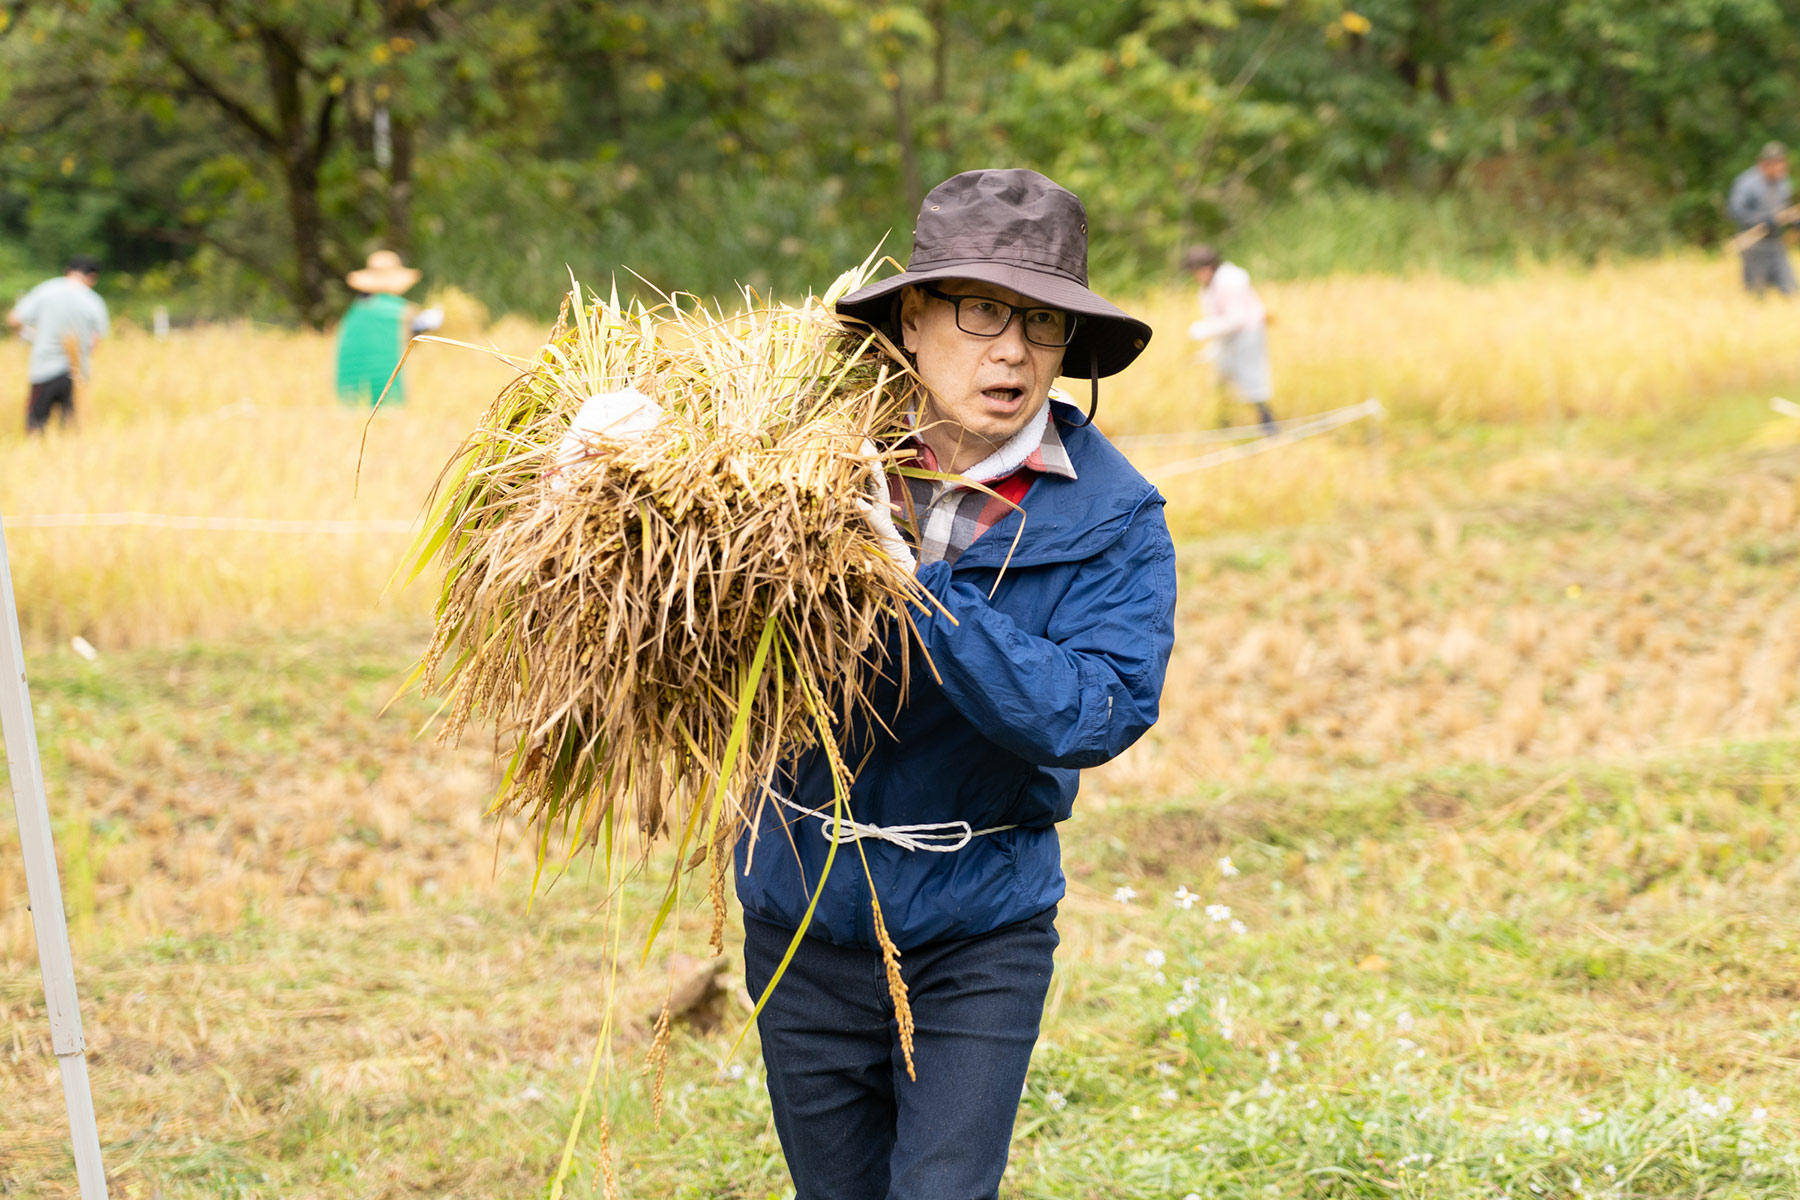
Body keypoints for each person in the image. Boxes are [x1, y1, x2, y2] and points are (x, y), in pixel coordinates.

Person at [734, 168, 1177, 1200]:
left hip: (977, 930)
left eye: (1043, 321)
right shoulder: (796, 466)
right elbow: (675, 622)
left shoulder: (1115, 516)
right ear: (914, 320)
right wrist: (616, 493)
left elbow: (1093, 707)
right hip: (800, 914)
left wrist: (923, 595)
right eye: (982, 312)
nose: (1013, 350)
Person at [5, 254, 109, 434]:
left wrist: (29, 335)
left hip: (44, 370)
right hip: (76, 374)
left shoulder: (46, 290)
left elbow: (14, 319)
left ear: (67, 271)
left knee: (36, 428)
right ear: (92, 277)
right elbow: (94, 342)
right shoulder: (94, 301)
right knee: (70, 430)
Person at [1183, 244, 1277, 433]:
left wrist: (1206, 329)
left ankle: (1268, 423)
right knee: (1222, 376)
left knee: (1252, 377)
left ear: (1207, 267)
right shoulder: (1209, 287)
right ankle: (1224, 421)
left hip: (1248, 334)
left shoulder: (1231, 281)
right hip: (1229, 337)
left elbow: (1237, 319)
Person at [335, 249, 428, 406]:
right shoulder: (401, 311)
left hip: (348, 395)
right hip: (389, 395)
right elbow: (413, 337)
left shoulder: (355, 310)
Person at [1727, 141, 1796, 296]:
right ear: (1764, 164)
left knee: (1792, 292)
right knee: (1757, 295)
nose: (1780, 168)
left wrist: (1794, 221)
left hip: (1776, 245)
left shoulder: (1784, 183)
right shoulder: (1746, 183)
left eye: (1782, 163)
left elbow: (1784, 211)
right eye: (1776, 164)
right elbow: (1735, 211)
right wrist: (1764, 219)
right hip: (1754, 246)